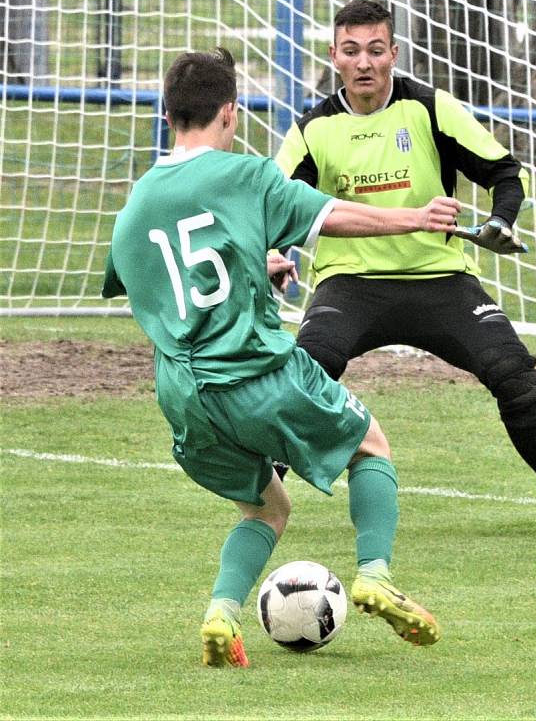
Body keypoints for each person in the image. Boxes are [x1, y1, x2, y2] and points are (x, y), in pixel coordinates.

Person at [101, 47, 462, 667]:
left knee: (267, 506)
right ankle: (374, 574)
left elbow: (166, 281)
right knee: (369, 443)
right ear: (230, 112)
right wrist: (416, 217)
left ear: (168, 115)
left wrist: (251, 267)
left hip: (184, 395)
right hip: (255, 372)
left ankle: (221, 613)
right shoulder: (246, 175)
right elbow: (333, 216)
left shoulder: (137, 204)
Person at [275, 0, 536, 547]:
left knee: (515, 376)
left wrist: (501, 221)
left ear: (393, 54)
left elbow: (506, 172)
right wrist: (276, 252)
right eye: (350, 51)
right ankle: (261, 500)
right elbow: (278, 207)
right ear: (334, 57)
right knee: (305, 369)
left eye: (375, 50)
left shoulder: (431, 109)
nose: (364, 62)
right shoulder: (312, 129)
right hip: (350, 285)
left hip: (441, 280)